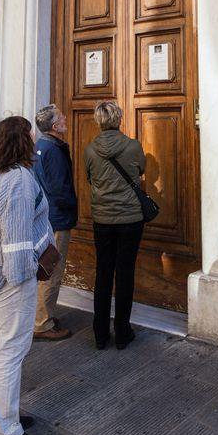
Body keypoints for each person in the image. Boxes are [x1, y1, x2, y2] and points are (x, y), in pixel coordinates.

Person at [0, 116, 54, 435]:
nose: (34, 141)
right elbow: (17, 238)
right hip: (14, 275)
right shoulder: (19, 179)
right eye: (30, 136)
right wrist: (25, 277)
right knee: (10, 351)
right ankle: (6, 432)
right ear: (20, 142)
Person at [84, 100, 146, 350]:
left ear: (98, 121)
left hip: (103, 219)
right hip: (130, 219)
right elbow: (141, 169)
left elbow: (89, 178)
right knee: (125, 273)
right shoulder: (133, 146)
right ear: (118, 119)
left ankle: (100, 334)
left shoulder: (90, 150)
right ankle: (122, 331)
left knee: (103, 273)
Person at [32, 104, 78, 342]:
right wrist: (73, 207)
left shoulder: (40, 147)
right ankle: (42, 323)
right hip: (58, 219)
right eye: (61, 117)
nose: (65, 119)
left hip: (47, 217)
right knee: (52, 271)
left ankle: (42, 315)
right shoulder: (53, 150)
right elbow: (61, 189)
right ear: (54, 126)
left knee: (45, 270)